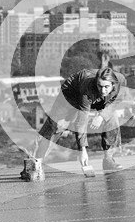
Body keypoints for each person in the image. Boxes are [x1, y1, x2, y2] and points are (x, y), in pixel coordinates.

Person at [21, 53, 126, 181]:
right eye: (100, 86)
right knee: (57, 125)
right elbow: (81, 122)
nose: (103, 90)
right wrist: (82, 150)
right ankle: (35, 163)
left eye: (106, 87)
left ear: (114, 84)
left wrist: (102, 115)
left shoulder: (121, 80)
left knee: (112, 118)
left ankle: (109, 160)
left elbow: (117, 102)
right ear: (95, 83)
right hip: (71, 95)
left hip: (98, 99)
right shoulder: (87, 88)